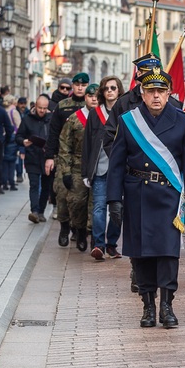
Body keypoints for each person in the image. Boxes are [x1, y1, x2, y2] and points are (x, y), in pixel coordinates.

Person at [107, 67, 185, 329]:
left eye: (161, 91)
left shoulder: (183, 121)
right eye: (151, 91)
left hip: (170, 197)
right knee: (141, 254)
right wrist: (114, 199)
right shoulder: (129, 121)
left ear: (170, 93)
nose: (156, 96)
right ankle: (148, 306)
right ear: (142, 93)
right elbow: (116, 163)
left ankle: (167, 306)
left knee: (168, 254)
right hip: (137, 194)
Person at [45, 72, 89, 246]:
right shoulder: (63, 106)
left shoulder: (92, 107)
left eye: (83, 85)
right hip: (63, 157)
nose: (79, 88)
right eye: (76, 85)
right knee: (62, 195)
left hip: (83, 158)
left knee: (81, 199)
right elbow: (53, 132)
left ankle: (79, 230)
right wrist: (49, 157)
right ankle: (64, 226)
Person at [83, 76, 124, 260]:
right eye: (106, 88)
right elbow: (87, 144)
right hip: (99, 168)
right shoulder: (95, 113)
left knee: (117, 209)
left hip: (120, 169)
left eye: (113, 88)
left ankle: (111, 245)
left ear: (118, 90)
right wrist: (86, 172)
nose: (110, 91)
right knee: (99, 208)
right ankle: (98, 244)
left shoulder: (125, 112)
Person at [58, 83, 99, 252]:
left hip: (98, 166)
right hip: (77, 165)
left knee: (97, 205)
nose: (93, 99)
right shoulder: (75, 118)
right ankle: (80, 230)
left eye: (96, 96)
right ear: (85, 98)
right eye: (90, 96)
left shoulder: (108, 118)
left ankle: (94, 237)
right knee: (76, 202)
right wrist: (66, 171)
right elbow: (64, 144)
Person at [17, 95, 52, 223]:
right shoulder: (27, 119)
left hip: (47, 157)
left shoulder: (51, 119)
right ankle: (35, 211)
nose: (42, 111)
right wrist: (24, 141)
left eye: (45, 108)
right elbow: (18, 136)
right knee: (34, 184)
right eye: (40, 108)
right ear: (35, 106)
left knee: (46, 186)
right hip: (32, 156)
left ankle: (41, 211)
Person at [1, 94, 21, 191]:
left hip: (4, 137)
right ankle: (11, 182)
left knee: (5, 161)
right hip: (13, 138)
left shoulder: (3, 111)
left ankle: (4, 182)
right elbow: (19, 126)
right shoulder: (14, 111)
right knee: (12, 162)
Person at [15, 97, 28, 183]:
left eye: (24, 103)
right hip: (17, 136)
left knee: (22, 156)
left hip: (26, 137)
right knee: (18, 156)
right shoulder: (15, 112)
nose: (23, 105)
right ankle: (19, 174)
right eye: (21, 103)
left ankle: (22, 173)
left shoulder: (28, 112)